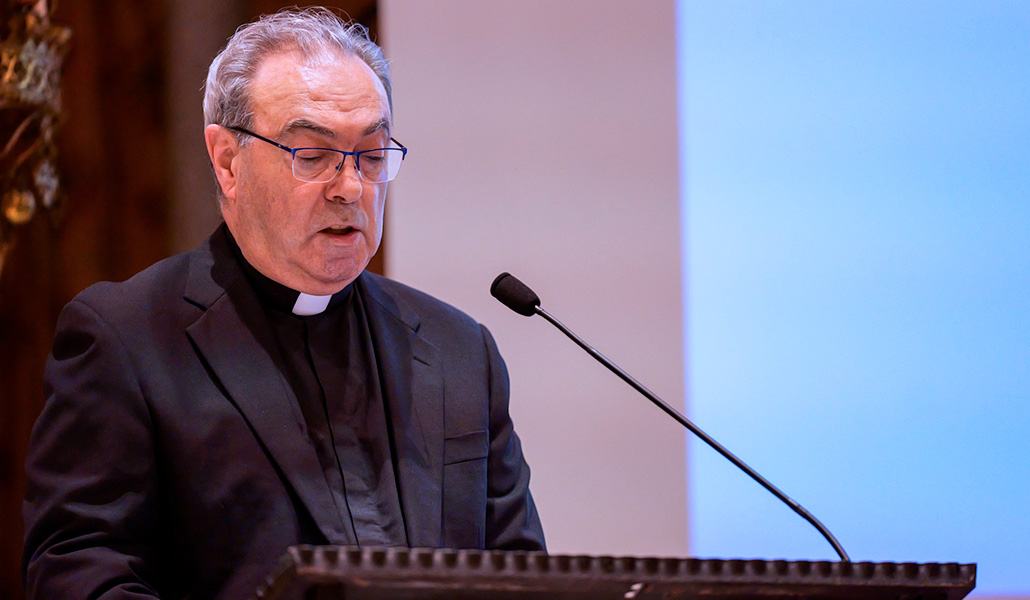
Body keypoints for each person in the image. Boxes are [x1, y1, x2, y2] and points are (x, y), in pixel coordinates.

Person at [22, 7, 545, 600]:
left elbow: (520, 574)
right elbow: (79, 572)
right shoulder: (129, 340)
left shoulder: (458, 352)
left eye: (372, 156)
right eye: (313, 156)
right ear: (227, 162)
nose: (351, 188)